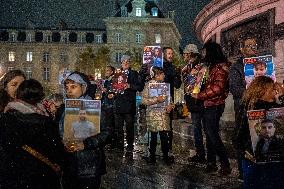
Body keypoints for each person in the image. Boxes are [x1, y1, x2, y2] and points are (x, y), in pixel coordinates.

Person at [0, 79, 65, 189]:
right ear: (40, 96)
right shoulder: (46, 121)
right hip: (42, 177)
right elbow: (57, 151)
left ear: (19, 95)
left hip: (13, 176)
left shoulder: (5, 118)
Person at [60, 71, 110, 189]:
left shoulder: (97, 108)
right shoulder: (63, 109)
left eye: (73, 87)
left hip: (90, 166)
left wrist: (86, 144)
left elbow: (106, 133)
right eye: (67, 87)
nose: (69, 90)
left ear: (84, 87)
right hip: (69, 165)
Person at [191, 41, 231, 175]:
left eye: (205, 51)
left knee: (213, 135)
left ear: (211, 52)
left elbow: (218, 88)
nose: (203, 54)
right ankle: (211, 162)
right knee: (209, 134)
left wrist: (199, 95)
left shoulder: (220, 68)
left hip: (214, 104)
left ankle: (225, 164)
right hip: (207, 104)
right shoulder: (210, 66)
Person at [236, 76, 284, 186]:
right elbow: (238, 135)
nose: (274, 92)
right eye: (272, 89)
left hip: (272, 160)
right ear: (263, 91)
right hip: (254, 161)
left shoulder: (276, 107)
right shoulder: (248, 107)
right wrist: (245, 152)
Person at [229, 35, 258, 178]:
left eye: (254, 45)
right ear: (242, 49)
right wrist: (250, 92)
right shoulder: (236, 67)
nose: (253, 47)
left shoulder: (261, 64)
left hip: (259, 107)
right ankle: (243, 172)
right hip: (243, 109)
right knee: (243, 140)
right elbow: (234, 88)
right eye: (249, 45)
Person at [141, 67, 174, 165]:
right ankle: (152, 156)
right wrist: (156, 100)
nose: (164, 76)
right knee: (153, 136)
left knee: (164, 136)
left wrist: (170, 106)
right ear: (156, 75)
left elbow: (170, 100)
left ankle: (165, 156)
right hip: (153, 115)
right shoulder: (149, 85)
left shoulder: (165, 86)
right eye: (162, 74)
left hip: (163, 115)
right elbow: (144, 100)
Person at [181, 44, 206, 163]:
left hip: (200, 100)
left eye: (185, 54)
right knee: (197, 128)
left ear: (190, 54)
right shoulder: (187, 67)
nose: (183, 56)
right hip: (192, 101)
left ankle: (204, 155)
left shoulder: (201, 66)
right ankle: (200, 153)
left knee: (203, 128)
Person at [113, 55, 144, 151]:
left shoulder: (134, 74)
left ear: (130, 63)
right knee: (118, 127)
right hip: (118, 103)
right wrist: (111, 93)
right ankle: (119, 145)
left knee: (130, 126)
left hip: (129, 104)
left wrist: (130, 85)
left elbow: (140, 87)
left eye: (127, 61)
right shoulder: (117, 73)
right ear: (121, 63)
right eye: (123, 61)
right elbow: (113, 87)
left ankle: (130, 145)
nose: (125, 63)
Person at [162, 47, 182, 155]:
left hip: (168, 100)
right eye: (169, 53)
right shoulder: (158, 67)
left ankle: (168, 149)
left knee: (168, 126)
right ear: (164, 55)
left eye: (172, 53)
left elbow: (177, 86)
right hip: (157, 100)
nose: (171, 55)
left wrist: (177, 75)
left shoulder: (173, 67)